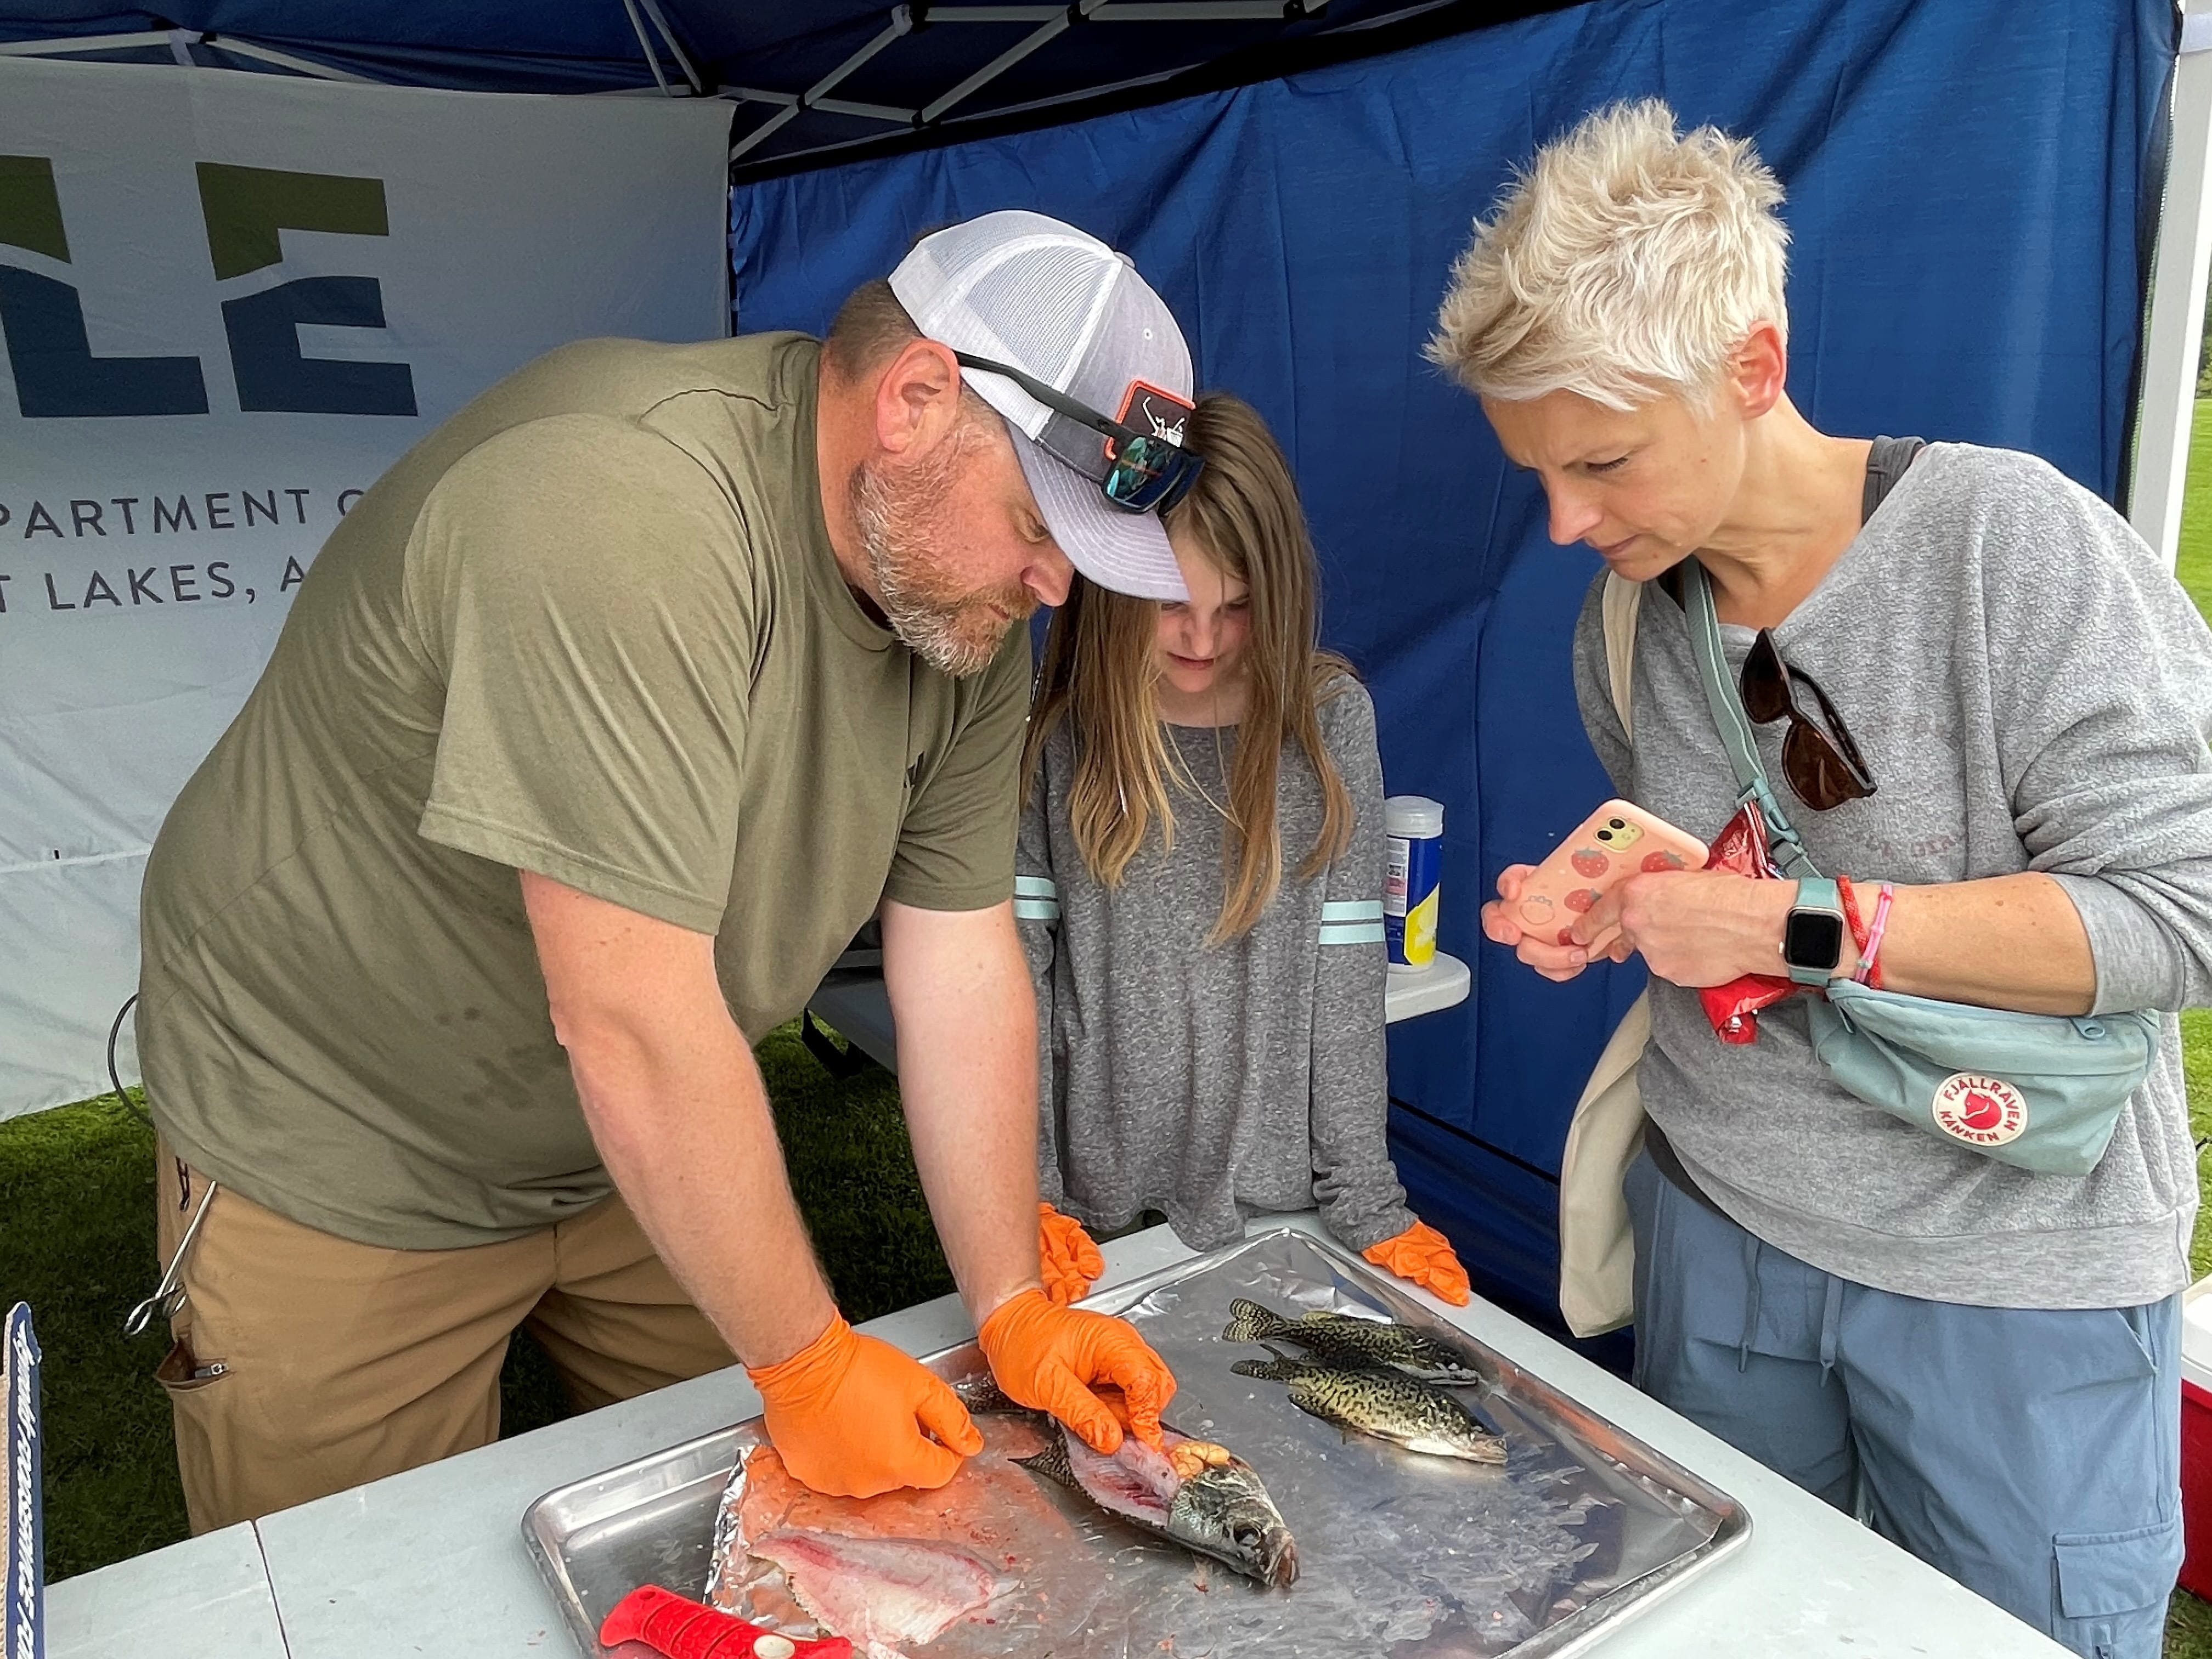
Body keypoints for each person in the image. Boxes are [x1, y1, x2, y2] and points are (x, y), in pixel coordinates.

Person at [132, 210, 1187, 1531]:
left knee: (761, 1532)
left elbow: (961, 961)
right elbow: (627, 1017)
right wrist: (804, 1359)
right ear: (918, 399)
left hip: (625, 1125)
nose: (1052, 588)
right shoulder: (621, 513)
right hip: (348, 1125)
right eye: (1041, 526)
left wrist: (1009, 1297)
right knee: (357, 1591)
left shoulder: (960, 609)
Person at [1435, 101, 2212, 1659]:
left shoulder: (2013, 546)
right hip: (1723, 1236)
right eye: (1538, 474)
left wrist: (1796, 924)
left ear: (1754, 370)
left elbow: (2180, 913)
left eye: (1599, 462)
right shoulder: (1628, 619)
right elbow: (1732, 870)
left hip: (2008, 1276)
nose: (1567, 523)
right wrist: (1634, 905)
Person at [1016, 392, 1471, 1307]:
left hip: (1279, 1206)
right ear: (1112, 587)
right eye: (1172, 603)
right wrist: (1024, 1193)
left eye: (1238, 607)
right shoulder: (1061, 731)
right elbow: (1016, 974)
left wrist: (1370, 1202)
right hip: (1090, 1208)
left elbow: (1346, 983)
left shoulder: (1330, 724)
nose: (1202, 639)